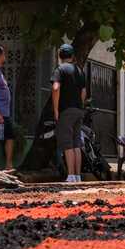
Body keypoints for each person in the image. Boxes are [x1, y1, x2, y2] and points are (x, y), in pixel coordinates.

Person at [51, 43, 86, 183]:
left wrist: (56, 109)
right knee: (77, 144)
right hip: (78, 110)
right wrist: (80, 105)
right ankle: (77, 176)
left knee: (67, 144)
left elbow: (55, 88)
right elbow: (83, 91)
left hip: (66, 111)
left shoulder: (60, 69)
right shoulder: (79, 70)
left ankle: (70, 175)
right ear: (72, 56)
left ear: (60, 56)